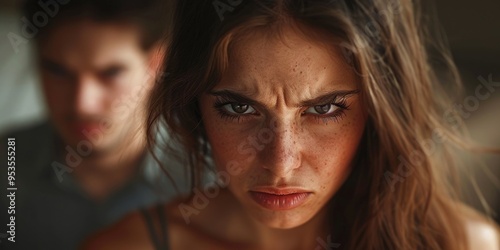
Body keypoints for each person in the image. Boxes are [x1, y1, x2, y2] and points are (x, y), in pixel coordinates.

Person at [84, 0, 500, 249]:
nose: (280, 164)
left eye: (324, 110)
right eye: (238, 109)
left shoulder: (464, 244)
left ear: (380, 109)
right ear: (195, 107)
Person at [0, 0, 184, 249]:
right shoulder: (7, 162)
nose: (82, 104)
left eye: (110, 73)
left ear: (155, 65)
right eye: (58, 71)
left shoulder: (208, 178)